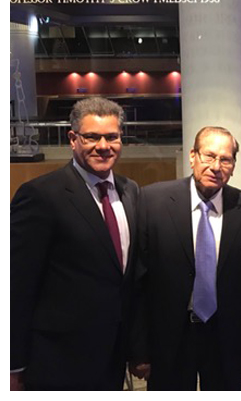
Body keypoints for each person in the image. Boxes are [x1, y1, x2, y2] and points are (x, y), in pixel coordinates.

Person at [10, 97, 138, 390]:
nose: (103, 146)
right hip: (57, 360)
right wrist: (12, 364)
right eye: (92, 137)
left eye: (112, 137)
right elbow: (16, 286)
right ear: (72, 139)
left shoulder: (130, 191)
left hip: (113, 356)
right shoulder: (40, 195)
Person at [130, 126, 241, 390]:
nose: (216, 166)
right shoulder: (152, 200)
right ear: (192, 156)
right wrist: (139, 348)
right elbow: (139, 280)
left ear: (233, 166)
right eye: (209, 156)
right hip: (169, 336)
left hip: (226, 338)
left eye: (225, 159)